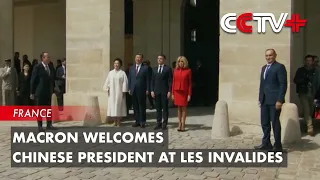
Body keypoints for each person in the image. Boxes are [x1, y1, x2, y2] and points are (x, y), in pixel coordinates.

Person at [255, 49, 287, 151]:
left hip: (274, 101)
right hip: (264, 100)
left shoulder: (279, 67)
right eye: (267, 55)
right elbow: (262, 84)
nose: (268, 57)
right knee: (264, 123)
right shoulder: (264, 68)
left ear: (275, 55)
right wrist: (260, 98)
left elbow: (283, 84)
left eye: (270, 55)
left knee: (275, 123)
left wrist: (280, 100)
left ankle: (277, 146)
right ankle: (266, 143)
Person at [30, 52, 57, 132]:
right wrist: (32, 92)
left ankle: (49, 124)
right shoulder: (37, 67)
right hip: (40, 92)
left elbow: (52, 78)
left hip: (48, 92)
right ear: (43, 58)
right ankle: (40, 126)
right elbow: (33, 80)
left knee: (48, 109)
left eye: (49, 57)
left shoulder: (50, 67)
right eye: (47, 57)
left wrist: (53, 89)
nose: (49, 58)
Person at [294, 55, 317, 136]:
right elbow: (296, 80)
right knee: (307, 110)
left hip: (313, 93)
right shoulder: (301, 70)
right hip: (303, 92)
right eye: (307, 60)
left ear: (313, 61)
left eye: (310, 60)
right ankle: (310, 128)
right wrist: (304, 79)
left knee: (310, 110)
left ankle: (306, 125)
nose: (308, 62)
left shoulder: (316, 70)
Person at [103, 58, 128, 126]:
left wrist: (124, 91)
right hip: (112, 93)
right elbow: (108, 82)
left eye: (117, 63)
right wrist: (108, 89)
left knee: (119, 106)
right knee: (113, 106)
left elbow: (125, 83)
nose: (116, 64)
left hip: (119, 92)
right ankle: (114, 121)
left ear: (120, 65)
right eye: (115, 63)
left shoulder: (122, 73)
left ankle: (119, 121)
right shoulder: (110, 73)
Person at [128, 53, 150, 128]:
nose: (138, 59)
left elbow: (148, 79)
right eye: (136, 57)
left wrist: (147, 89)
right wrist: (129, 88)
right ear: (135, 59)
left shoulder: (145, 68)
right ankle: (137, 121)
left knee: (142, 106)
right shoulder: (132, 68)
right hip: (133, 89)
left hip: (142, 89)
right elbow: (130, 79)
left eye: (139, 57)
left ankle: (142, 121)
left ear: (141, 59)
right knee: (135, 106)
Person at [151, 54, 172, 130]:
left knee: (165, 108)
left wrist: (169, 91)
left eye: (161, 58)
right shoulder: (154, 69)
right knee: (158, 108)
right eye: (158, 58)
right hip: (156, 91)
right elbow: (152, 81)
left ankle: (165, 123)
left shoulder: (167, 69)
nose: (159, 60)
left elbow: (170, 81)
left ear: (164, 60)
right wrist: (152, 90)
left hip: (164, 91)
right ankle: (158, 122)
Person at [172, 56, 192, 132]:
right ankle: (179, 123)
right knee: (178, 108)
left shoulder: (188, 71)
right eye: (179, 61)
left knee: (183, 108)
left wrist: (189, 94)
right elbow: (173, 82)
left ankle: (183, 123)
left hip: (184, 91)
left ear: (185, 62)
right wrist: (173, 93)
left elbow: (189, 83)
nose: (180, 63)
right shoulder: (175, 70)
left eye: (182, 61)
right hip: (177, 91)